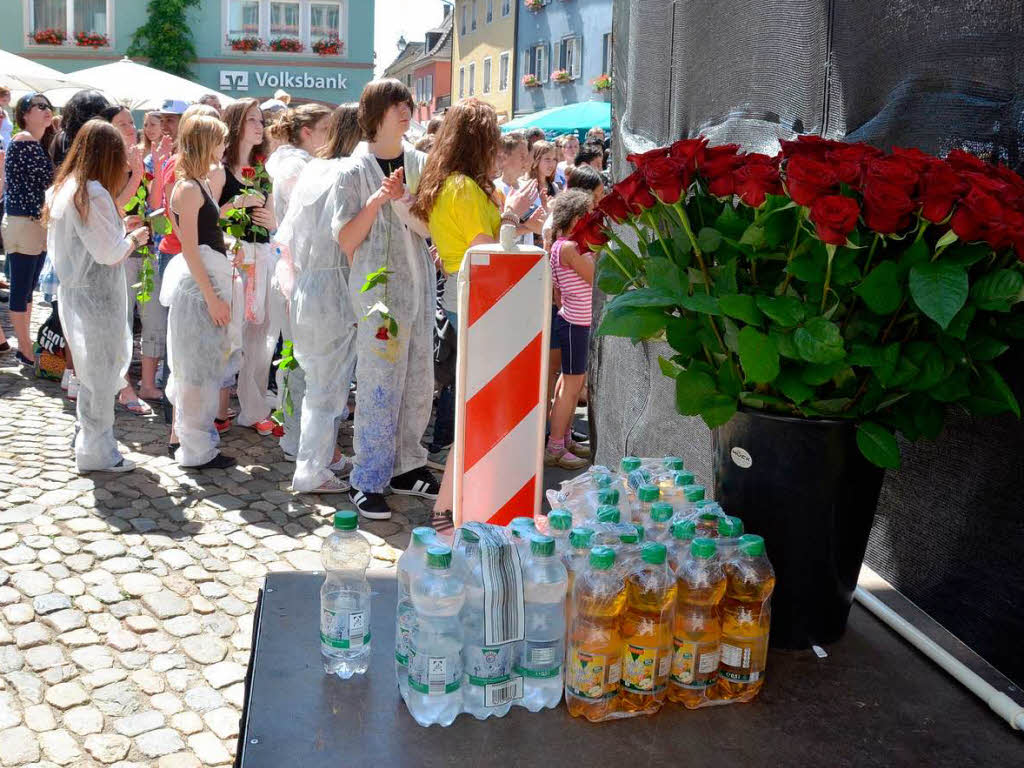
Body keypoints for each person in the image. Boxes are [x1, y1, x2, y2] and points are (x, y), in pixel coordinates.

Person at [410, 97, 536, 532]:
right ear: (478, 141)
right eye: (494, 141)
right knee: (474, 410)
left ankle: (452, 505)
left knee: (473, 408)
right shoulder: (461, 187)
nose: (498, 150)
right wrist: (515, 216)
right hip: (477, 302)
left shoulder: (457, 184)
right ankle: (447, 509)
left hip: (475, 300)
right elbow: (489, 249)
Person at [333, 78, 438, 519]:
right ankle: (367, 478)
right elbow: (346, 238)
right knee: (379, 385)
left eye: (408, 102)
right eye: (397, 102)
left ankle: (406, 465)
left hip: (418, 292)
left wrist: (403, 200)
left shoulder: (419, 162)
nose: (406, 109)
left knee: (418, 382)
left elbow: (431, 228)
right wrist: (379, 200)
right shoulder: (352, 171)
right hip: (378, 298)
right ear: (375, 111)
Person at [46, 119, 151, 473]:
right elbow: (109, 252)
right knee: (100, 376)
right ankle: (97, 450)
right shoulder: (92, 192)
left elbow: (94, 239)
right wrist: (135, 239)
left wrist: (123, 227)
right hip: (97, 297)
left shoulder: (67, 187)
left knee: (92, 374)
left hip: (77, 294)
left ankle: (91, 443)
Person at [280, 104, 362, 493]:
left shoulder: (314, 169)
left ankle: (318, 457)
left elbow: (291, 236)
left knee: (318, 383)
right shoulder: (346, 173)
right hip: (331, 289)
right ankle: (311, 469)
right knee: (327, 390)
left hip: (307, 286)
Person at [162, 114, 239, 470]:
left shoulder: (199, 183)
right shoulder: (189, 188)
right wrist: (212, 297)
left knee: (205, 368)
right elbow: (189, 247)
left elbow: (204, 236)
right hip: (197, 291)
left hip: (207, 281)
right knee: (195, 371)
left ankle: (199, 442)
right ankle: (194, 450)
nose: (225, 148)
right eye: (221, 141)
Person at [264, 103, 333, 458]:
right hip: (298, 269)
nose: (331, 136)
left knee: (298, 355)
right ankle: (297, 436)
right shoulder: (297, 166)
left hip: (294, 267)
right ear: (307, 132)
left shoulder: (294, 162)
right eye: (326, 129)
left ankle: (296, 432)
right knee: (300, 357)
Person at [217, 98, 278, 435]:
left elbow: (271, 220)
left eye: (261, 121)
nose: (260, 126)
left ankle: (252, 408)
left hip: (261, 256)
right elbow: (207, 213)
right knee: (230, 335)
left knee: (260, 337)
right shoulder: (220, 169)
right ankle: (219, 407)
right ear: (237, 124)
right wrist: (237, 203)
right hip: (231, 259)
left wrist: (271, 219)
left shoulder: (263, 170)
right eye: (253, 120)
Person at [102, 105, 165, 413]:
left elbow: (154, 205)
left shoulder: (141, 158)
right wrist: (136, 173)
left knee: (153, 317)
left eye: (131, 122)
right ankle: (124, 385)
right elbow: (112, 206)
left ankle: (149, 383)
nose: (130, 127)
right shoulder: (108, 164)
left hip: (146, 248)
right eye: (122, 123)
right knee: (123, 321)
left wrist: (160, 170)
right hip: (120, 252)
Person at [2, 93, 55, 366]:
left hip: (33, 223)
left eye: (48, 106)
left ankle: (27, 343)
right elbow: (51, 178)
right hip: (24, 223)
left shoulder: (36, 143)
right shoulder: (24, 141)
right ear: (24, 114)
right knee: (21, 288)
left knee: (28, 288)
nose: (47, 111)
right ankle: (23, 348)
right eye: (40, 106)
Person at [545, 190, 595, 469]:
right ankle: (556, 447)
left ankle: (563, 439)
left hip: (574, 323)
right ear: (577, 219)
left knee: (569, 385)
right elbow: (595, 278)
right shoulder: (569, 248)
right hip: (576, 324)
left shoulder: (563, 245)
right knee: (571, 387)